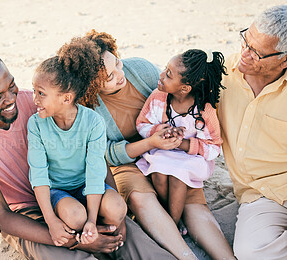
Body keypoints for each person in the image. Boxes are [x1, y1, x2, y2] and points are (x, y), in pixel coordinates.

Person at [0, 46, 176, 259]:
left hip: (76, 190)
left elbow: (93, 157)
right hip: (27, 216)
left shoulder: (40, 102)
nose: (11, 99)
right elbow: (1, 216)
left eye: (11, 86)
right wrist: (75, 241)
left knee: (137, 246)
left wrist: (119, 219)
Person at [73, 30, 235, 259]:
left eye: (117, 63)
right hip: (126, 162)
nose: (120, 74)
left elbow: (175, 97)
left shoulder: (139, 69)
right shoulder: (87, 106)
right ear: (91, 85)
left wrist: (173, 141)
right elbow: (106, 154)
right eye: (108, 77)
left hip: (168, 150)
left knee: (190, 196)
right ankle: (186, 255)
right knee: (142, 198)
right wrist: (149, 142)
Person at [28, 38, 127, 247]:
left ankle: (97, 231)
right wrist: (51, 221)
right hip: (59, 192)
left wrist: (92, 219)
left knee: (117, 208)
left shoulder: (93, 122)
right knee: (75, 217)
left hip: (87, 186)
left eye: (41, 94)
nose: (34, 99)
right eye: (34, 91)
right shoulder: (36, 124)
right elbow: (38, 174)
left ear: (66, 98)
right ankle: (89, 238)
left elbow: (95, 170)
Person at [217, 5, 287, 259]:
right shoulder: (221, 75)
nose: (245, 54)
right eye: (246, 40)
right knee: (251, 252)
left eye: (257, 52)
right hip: (259, 195)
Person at [135, 49, 226, 227]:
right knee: (159, 174)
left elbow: (214, 148)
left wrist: (184, 144)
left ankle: (173, 224)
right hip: (164, 151)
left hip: (191, 158)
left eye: (168, 75)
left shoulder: (204, 111)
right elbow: (142, 123)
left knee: (177, 177)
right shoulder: (158, 97)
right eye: (165, 69)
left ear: (184, 88)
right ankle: (168, 212)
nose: (161, 75)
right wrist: (160, 131)